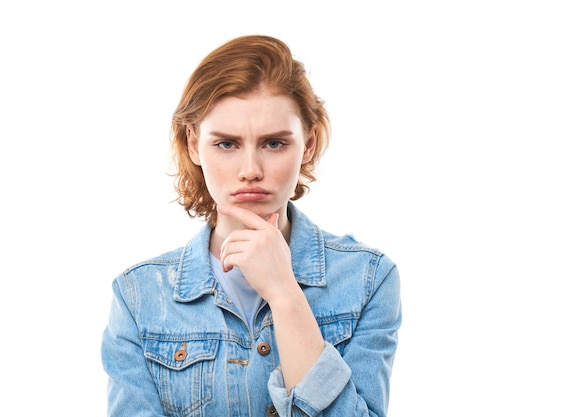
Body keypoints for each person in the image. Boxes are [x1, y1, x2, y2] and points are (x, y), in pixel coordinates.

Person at [101, 34, 402, 417]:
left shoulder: (367, 280)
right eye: (226, 144)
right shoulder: (138, 296)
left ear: (307, 145)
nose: (250, 171)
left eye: (274, 143)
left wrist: (285, 296)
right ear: (194, 145)